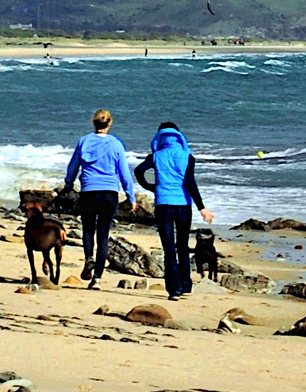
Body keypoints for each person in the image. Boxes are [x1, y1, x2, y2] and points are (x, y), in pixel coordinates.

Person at [61, 108, 133, 288]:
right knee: (103, 234)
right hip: (109, 192)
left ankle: (89, 258)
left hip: (88, 191)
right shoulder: (116, 144)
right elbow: (124, 173)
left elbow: (73, 167)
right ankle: (97, 279)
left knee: (87, 229)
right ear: (109, 124)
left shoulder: (84, 142)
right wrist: (130, 195)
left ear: (94, 123)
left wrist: (68, 184)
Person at [145, 121, 213, 300]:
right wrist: (202, 208)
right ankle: (186, 285)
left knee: (169, 248)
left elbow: (138, 171)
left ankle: (174, 289)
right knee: (183, 246)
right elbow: (190, 182)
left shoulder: (156, 156)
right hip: (183, 205)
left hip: (163, 205)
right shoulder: (187, 156)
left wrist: (152, 187)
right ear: (179, 137)